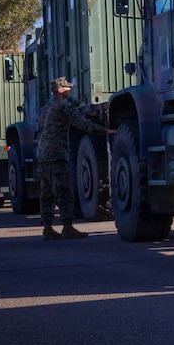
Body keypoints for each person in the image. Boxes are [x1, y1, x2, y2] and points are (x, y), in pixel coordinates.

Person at [37, 77, 114, 241]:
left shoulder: (45, 108)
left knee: (47, 194)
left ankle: (47, 228)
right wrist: (105, 131)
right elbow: (82, 124)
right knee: (64, 192)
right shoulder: (62, 107)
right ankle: (67, 227)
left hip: (43, 155)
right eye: (67, 87)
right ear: (60, 90)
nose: (70, 90)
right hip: (57, 155)